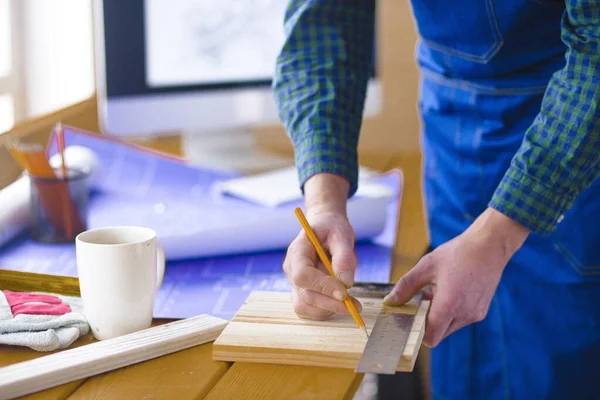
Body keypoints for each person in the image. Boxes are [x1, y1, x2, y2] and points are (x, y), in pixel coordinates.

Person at [272, 1, 600, 399]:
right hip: (451, 130)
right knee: (457, 351)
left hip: (576, 137)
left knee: (552, 362)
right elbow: (323, 26)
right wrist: (324, 203)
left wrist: (496, 236)